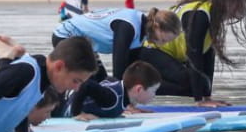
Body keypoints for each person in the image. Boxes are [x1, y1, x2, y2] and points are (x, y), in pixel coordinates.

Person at [138, 0, 246, 106]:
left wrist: (207, 96)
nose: (245, 6)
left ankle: (143, 86)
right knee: (194, 83)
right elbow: (193, 56)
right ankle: (136, 86)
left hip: (169, 56)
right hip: (150, 51)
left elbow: (207, 59)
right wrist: (199, 100)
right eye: (242, 0)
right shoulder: (200, 14)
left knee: (202, 84)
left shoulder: (214, 19)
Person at [50, 6, 182, 81]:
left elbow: (130, 70)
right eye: (164, 40)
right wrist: (123, 102)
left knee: (102, 81)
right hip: (65, 36)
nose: (163, 44)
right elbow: (119, 65)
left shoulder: (141, 34)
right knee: (88, 79)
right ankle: (72, 110)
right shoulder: (129, 26)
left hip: (86, 45)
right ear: (157, 26)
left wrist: (130, 100)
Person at [62, 60, 161, 120]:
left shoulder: (122, 93)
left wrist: (129, 105)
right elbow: (86, 85)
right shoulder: (111, 98)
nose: (154, 95)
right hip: (60, 107)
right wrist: (77, 113)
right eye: (153, 90)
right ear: (138, 89)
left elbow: (107, 80)